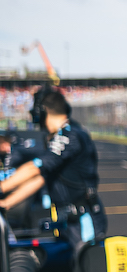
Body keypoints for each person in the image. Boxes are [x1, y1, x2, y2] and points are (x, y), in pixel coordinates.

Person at [0, 87, 106, 254]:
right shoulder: (61, 135)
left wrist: (2, 187)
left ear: (42, 112)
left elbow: (35, 168)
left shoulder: (69, 135)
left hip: (83, 220)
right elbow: (41, 178)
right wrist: (6, 204)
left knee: (89, 268)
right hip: (67, 219)